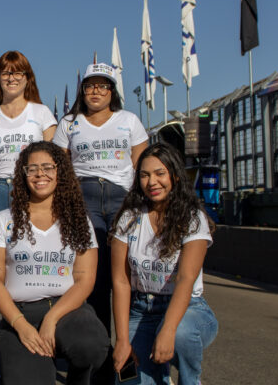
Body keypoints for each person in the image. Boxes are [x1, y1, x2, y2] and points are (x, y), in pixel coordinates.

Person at [0, 141, 109, 384]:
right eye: (32, 169)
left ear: (59, 172)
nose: (40, 174)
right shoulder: (3, 220)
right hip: (20, 313)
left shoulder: (78, 220)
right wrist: (20, 324)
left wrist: (52, 319)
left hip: (67, 310)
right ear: (23, 175)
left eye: (48, 167)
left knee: (91, 346)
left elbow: (84, 280)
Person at [53, 63, 149, 336]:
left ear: (112, 91)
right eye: (90, 86)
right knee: (94, 273)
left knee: (124, 269)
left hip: (122, 199)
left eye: (102, 85)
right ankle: (100, 347)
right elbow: (60, 166)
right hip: (85, 198)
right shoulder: (69, 124)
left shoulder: (129, 120)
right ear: (82, 91)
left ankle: (129, 341)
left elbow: (142, 163)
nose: (96, 91)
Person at [111, 143, 218, 385]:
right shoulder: (128, 218)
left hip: (189, 309)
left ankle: (190, 381)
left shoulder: (192, 218)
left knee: (179, 336)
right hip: (142, 310)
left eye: (160, 173)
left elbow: (186, 279)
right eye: (145, 175)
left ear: (175, 176)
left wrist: (167, 330)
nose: (152, 182)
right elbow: (120, 281)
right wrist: (122, 340)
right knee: (126, 378)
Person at [0, 51, 57, 234]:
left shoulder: (42, 113)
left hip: (31, 189)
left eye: (18, 72)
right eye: (6, 73)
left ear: (28, 78)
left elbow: (54, 163)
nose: (11, 78)